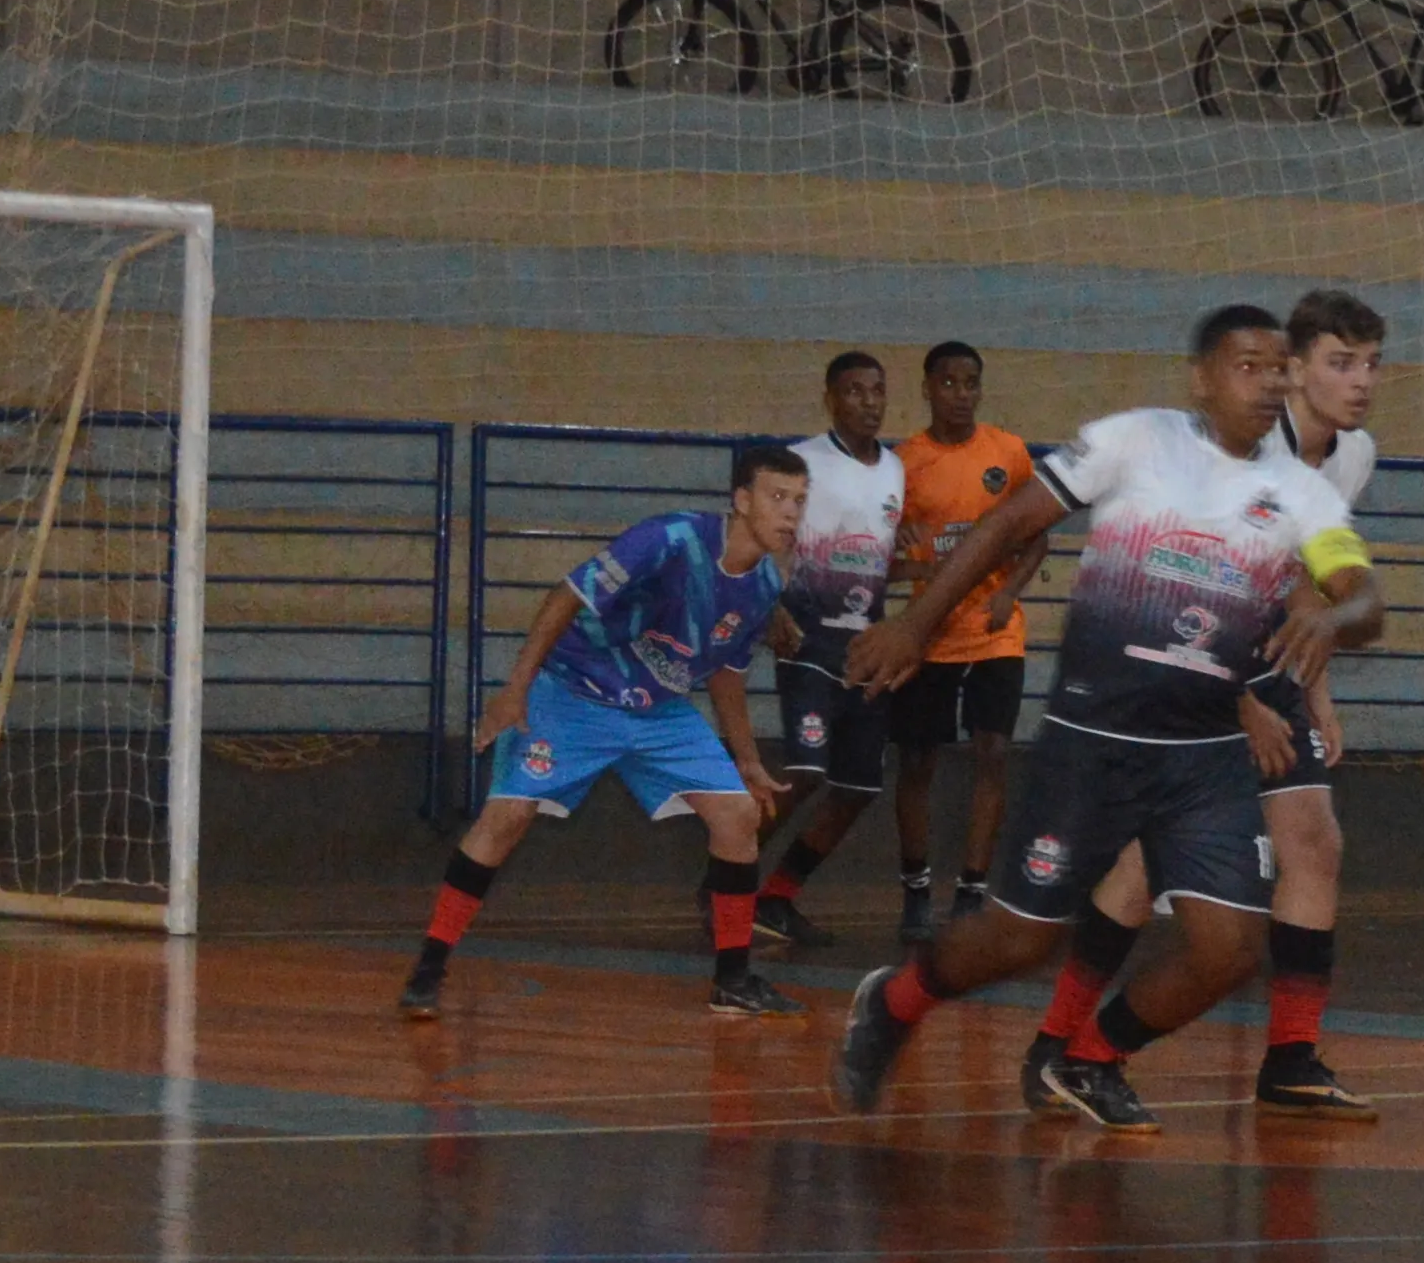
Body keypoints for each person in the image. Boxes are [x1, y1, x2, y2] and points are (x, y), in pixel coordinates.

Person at [833, 309, 1383, 1134]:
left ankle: (1090, 1057)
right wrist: (917, 625)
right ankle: (898, 999)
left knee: (1229, 952)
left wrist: (1337, 622)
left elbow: (1364, 599)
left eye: (1278, 369)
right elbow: (1011, 522)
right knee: (1020, 939)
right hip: (1096, 741)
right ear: (1201, 377)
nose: (1268, 382)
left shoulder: (1301, 492)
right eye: (1248, 366)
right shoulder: (1135, 440)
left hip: (1204, 757)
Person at [1050, 288, 1389, 1116]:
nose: (1361, 382)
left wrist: (1315, 695)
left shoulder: (1351, 456)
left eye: (1373, 364)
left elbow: (1312, 589)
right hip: (1177, 670)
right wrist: (1238, 703)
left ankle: (1290, 1059)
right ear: (1292, 370)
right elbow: (1178, 590)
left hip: (1262, 671)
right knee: (1142, 870)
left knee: (1312, 847)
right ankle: (1066, 1046)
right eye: (1340, 363)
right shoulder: (1231, 454)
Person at [401, 445, 807, 1022]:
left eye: (798, 501)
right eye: (777, 497)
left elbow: (725, 672)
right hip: (574, 693)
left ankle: (733, 981)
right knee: (506, 818)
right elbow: (566, 596)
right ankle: (428, 967)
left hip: (658, 711)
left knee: (738, 815)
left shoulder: (764, 584)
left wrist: (744, 758)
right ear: (741, 501)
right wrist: (516, 689)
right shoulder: (667, 540)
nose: (790, 513)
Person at [749, 352, 910, 955]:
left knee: (859, 786)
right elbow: (765, 537)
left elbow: (876, 558)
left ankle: (779, 897)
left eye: (877, 390)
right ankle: (725, 883)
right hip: (808, 636)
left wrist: (917, 567)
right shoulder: (803, 463)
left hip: (866, 641)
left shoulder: (895, 469)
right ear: (831, 398)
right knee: (808, 770)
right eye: (854, 391)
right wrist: (770, 605)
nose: (868, 402)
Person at [889, 338, 1041, 943]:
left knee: (994, 752)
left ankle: (973, 890)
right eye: (948, 383)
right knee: (918, 759)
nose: (960, 394)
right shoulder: (903, 464)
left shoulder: (1008, 453)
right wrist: (902, 559)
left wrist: (1008, 594)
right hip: (930, 634)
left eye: (970, 382)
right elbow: (885, 548)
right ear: (926, 388)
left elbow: (1036, 537)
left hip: (995, 632)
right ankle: (917, 887)